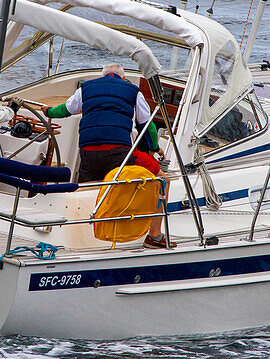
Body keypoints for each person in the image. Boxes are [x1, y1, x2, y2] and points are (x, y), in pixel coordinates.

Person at [44, 63, 173, 248]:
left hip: (88, 152)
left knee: (88, 188)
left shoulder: (86, 88)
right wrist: (155, 147)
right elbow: (148, 125)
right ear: (122, 78)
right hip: (120, 152)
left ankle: (78, 235)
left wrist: (48, 111)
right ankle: (154, 235)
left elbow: (65, 110)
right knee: (163, 180)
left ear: (103, 76)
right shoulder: (133, 91)